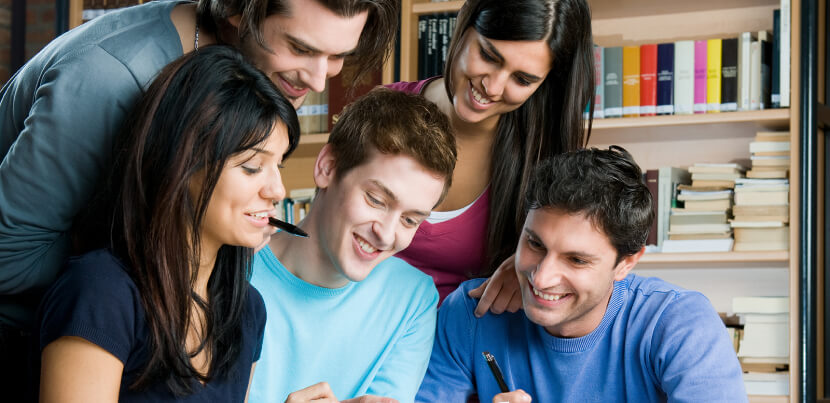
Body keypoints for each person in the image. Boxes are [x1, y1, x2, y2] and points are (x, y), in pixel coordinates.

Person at [0, 0, 398, 387]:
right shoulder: (111, 80)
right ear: (239, 10)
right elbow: (9, 261)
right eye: (300, 48)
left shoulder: (242, 311)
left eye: (337, 56)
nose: (317, 79)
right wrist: (179, 242)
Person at [35, 45, 300, 401]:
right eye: (252, 166)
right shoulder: (101, 295)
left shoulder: (247, 311)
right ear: (183, 163)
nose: (277, 190)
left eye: (278, 165)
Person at [415, 146, 748, 403]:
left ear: (626, 263)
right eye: (534, 244)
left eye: (575, 260)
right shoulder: (471, 314)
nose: (542, 278)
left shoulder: (680, 324)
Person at [248, 87, 457, 403]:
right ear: (328, 167)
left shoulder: (413, 300)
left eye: (410, 220)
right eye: (376, 200)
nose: (386, 235)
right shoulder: (230, 271)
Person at [387, 0, 595, 315]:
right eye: (488, 55)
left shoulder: (544, 163)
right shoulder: (382, 113)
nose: (493, 87)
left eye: (522, 80)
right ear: (464, 25)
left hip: (460, 345)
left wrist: (528, 265)